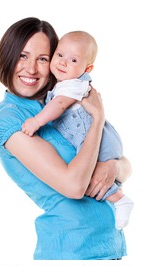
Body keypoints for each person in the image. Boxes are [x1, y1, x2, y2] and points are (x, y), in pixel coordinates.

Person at [0, 17, 132, 260]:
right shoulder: (10, 119)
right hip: (71, 252)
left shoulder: (59, 102)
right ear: (7, 56)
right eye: (23, 56)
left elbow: (122, 163)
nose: (32, 69)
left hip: (108, 250)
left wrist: (115, 165)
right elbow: (74, 186)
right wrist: (97, 118)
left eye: (42, 58)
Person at [21, 31, 134, 230]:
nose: (63, 63)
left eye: (73, 59)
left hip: (95, 138)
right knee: (93, 172)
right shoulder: (64, 83)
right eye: (60, 55)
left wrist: (37, 121)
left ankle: (121, 200)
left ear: (87, 68)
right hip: (101, 135)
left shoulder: (73, 85)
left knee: (90, 173)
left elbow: (59, 105)